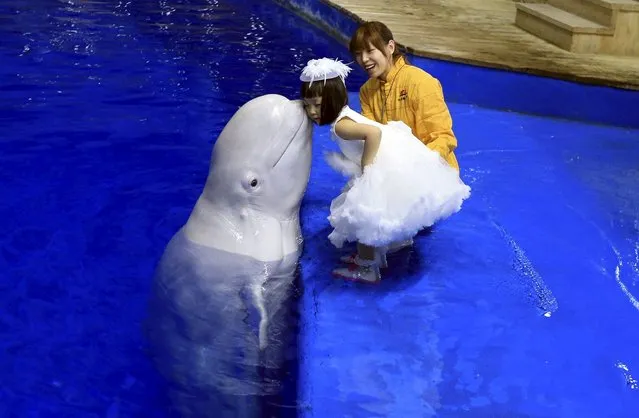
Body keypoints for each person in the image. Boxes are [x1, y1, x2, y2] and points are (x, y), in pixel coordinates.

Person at [299, 57, 470, 283]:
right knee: (380, 212)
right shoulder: (346, 114)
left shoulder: (341, 126)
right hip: (396, 160)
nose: (311, 111)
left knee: (363, 214)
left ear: (332, 100)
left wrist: (368, 169)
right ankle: (382, 253)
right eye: (307, 105)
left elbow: (374, 134)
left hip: (383, 166)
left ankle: (368, 267)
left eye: (318, 105)